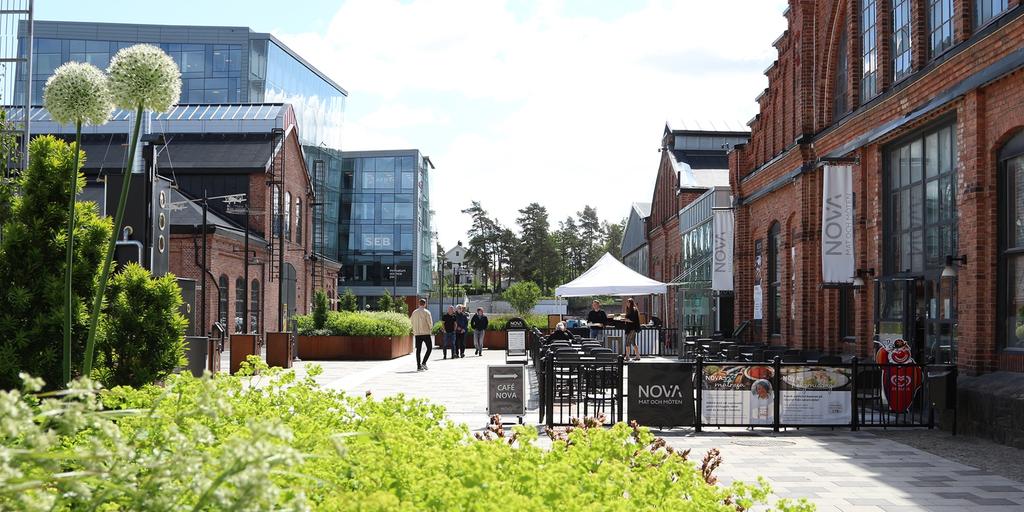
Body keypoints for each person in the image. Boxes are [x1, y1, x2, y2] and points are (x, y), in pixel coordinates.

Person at [410, 298, 433, 371]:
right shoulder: (427, 312)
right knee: (429, 348)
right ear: (425, 304)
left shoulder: (414, 312)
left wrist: (414, 330)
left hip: (417, 334)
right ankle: (424, 362)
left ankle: (418, 366)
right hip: (426, 333)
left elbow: (411, 322)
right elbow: (430, 323)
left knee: (418, 350)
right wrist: (431, 329)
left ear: (418, 304)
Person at [622, 297, 641, 362]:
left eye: (628, 302)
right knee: (633, 343)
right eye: (627, 302)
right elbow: (628, 319)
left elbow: (632, 320)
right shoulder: (628, 310)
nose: (627, 303)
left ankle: (627, 356)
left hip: (632, 328)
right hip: (628, 328)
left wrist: (625, 319)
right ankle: (638, 356)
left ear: (631, 303)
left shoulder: (634, 310)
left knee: (627, 342)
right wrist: (625, 319)